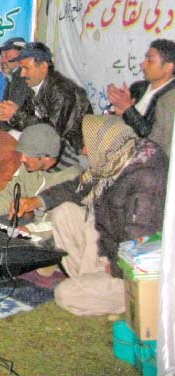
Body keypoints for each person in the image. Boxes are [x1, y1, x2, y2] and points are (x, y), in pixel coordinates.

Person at [49, 116, 167, 316]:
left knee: (64, 294)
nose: (85, 151)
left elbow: (142, 246)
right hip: (111, 248)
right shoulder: (117, 157)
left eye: (87, 145)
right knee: (64, 213)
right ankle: (91, 286)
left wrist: (114, 267)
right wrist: (38, 201)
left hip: (137, 273)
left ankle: (128, 302)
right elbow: (77, 187)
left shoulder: (147, 180)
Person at [0, 42, 92, 167]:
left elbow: (52, 135)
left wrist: (15, 115)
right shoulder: (34, 87)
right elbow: (27, 120)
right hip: (46, 148)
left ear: (43, 67)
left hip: (70, 151)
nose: (22, 74)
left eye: (26, 68)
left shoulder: (62, 91)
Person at [0, 123, 82, 219]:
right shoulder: (30, 166)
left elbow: (62, 224)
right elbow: (10, 194)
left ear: (46, 157)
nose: (22, 158)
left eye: (27, 155)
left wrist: (31, 230)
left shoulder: (73, 178)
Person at [107, 38, 175, 157]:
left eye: (150, 60)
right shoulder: (138, 88)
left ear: (168, 67)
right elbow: (113, 118)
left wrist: (128, 110)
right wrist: (115, 109)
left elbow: (154, 140)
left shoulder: (170, 99)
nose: (142, 64)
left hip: (147, 163)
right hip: (119, 152)